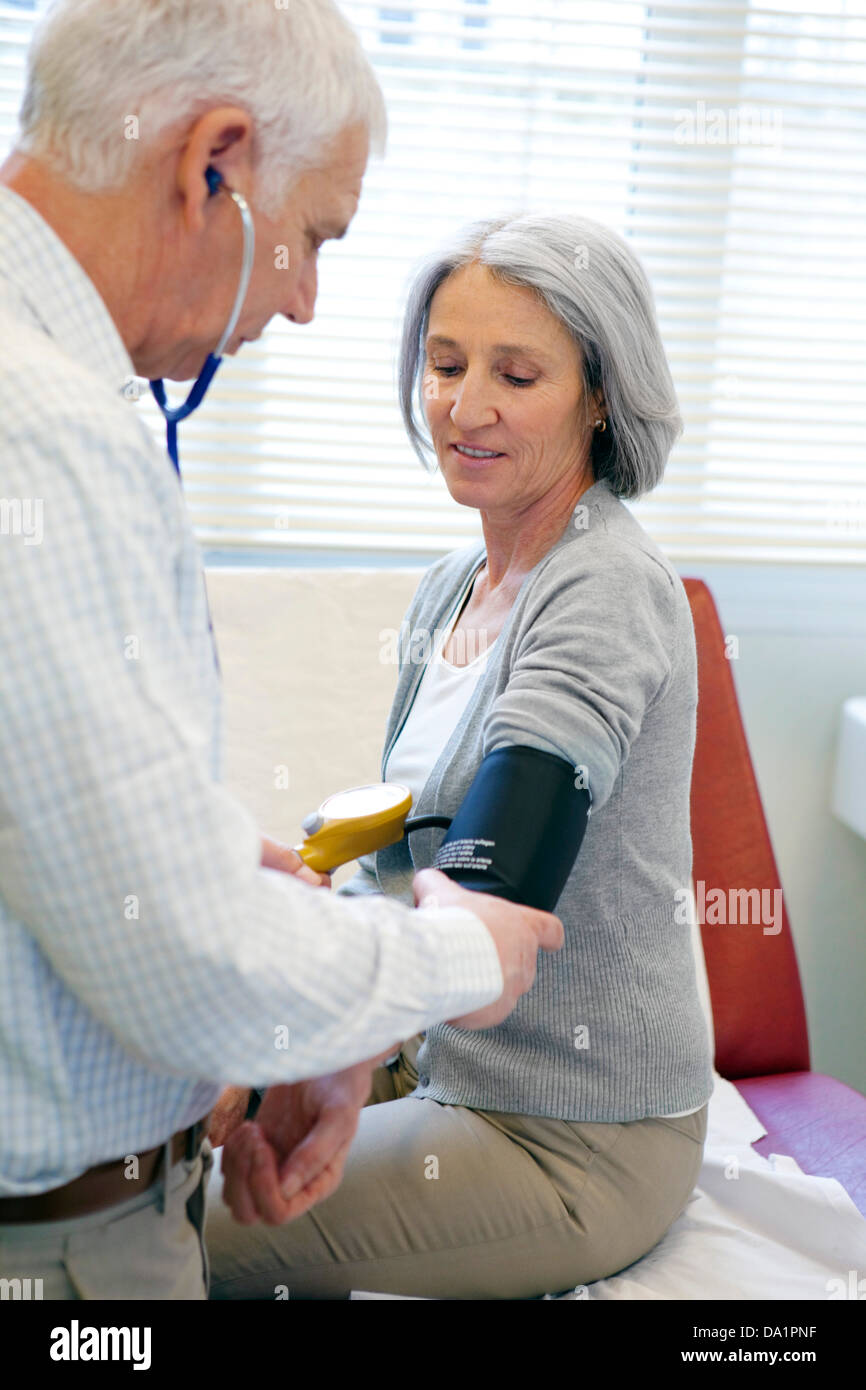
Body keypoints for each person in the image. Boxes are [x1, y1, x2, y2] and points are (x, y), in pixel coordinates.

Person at [0, 0, 563, 1301]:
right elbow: (182, 955)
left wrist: (280, 983)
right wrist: (458, 958)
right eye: (309, 238)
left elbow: (77, 835)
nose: (304, 304)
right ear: (214, 161)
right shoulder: (41, 432)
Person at [205, 213, 715, 1300]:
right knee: (125, 1148)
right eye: (443, 364)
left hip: (570, 1134)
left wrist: (316, 1039)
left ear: (598, 394)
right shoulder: (452, 585)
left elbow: (488, 899)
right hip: (437, 1070)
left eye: (515, 373)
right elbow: (397, 859)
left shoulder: (604, 583)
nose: (462, 405)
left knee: (177, 1226)